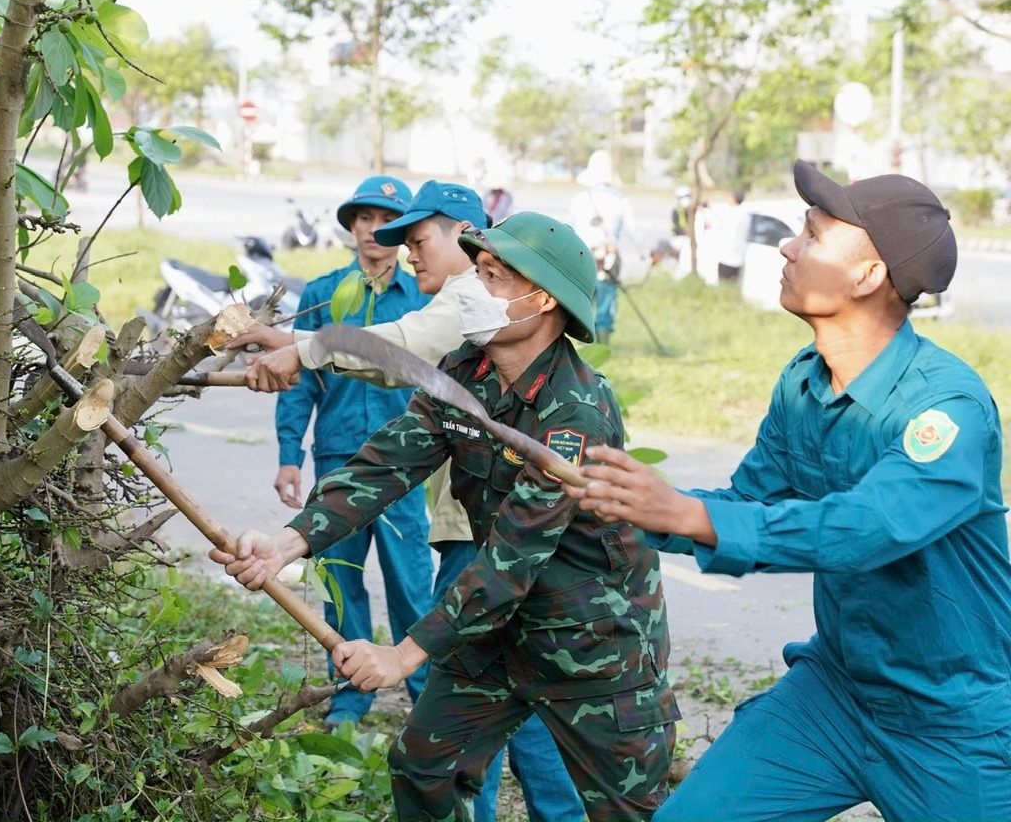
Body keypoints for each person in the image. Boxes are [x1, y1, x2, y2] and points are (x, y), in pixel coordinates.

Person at [567, 161, 1011, 821]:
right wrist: (634, 502)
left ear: (868, 275)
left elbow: (870, 527)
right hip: (835, 694)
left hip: (951, 717)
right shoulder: (804, 383)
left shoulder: (947, 407)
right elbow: (752, 504)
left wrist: (686, 513)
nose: (786, 246)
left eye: (812, 234)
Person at [213, 211, 680, 822]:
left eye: (494, 278)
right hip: (494, 633)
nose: (474, 289)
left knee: (628, 811)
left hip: (591, 643)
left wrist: (403, 655)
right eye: (477, 271)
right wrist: (287, 543)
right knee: (423, 767)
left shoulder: (576, 413)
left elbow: (512, 558)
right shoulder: (467, 370)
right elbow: (386, 464)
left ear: (543, 300)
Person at [271, 174, 436, 727]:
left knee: (410, 580)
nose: (374, 229)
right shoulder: (324, 295)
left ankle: (424, 694)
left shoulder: (422, 299)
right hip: (337, 457)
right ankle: (349, 693)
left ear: (405, 232)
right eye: (365, 218)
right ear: (352, 226)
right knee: (340, 581)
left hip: (405, 465)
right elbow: (299, 382)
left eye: (388, 220)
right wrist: (289, 455)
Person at [568, 151, 637, 344]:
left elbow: (570, 230)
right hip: (608, 259)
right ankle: (603, 347)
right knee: (606, 303)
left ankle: (580, 347)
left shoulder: (579, 199)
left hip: (582, 258)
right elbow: (633, 232)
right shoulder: (621, 200)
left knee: (581, 304)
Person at [713, 186, 749, 284]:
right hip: (738, 260)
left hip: (726, 258)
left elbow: (715, 224)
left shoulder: (729, 213)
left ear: (733, 198)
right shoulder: (745, 215)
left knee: (723, 285)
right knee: (732, 285)